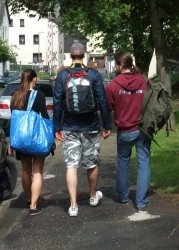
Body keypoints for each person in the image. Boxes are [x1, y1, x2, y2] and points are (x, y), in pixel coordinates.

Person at [53, 42, 112, 217]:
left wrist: (57, 127)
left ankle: (73, 206)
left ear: (70, 56)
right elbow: (102, 101)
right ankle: (93, 196)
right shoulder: (93, 74)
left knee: (71, 165)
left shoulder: (62, 75)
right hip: (91, 126)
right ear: (84, 56)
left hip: (70, 126)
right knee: (91, 163)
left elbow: (57, 103)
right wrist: (107, 124)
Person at [105, 51, 150, 209]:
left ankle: (123, 196)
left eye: (116, 64)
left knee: (123, 163)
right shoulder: (144, 81)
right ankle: (141, 200)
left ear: (120, 65)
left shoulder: (113, 85)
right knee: (143, 163)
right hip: (143, 129)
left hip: (124, 130)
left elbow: (108, 106)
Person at [9, 69, 55, 216]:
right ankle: (34, 206)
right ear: (34, 79)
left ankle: (29, 198)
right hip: (36, 139)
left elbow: (14, 121)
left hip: (21, 138)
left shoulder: (15, 96)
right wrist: (51, 137)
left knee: (26, 171)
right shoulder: (39, 95)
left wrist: (10, 142)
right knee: (37, 172)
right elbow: (45, 116)